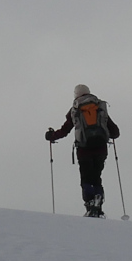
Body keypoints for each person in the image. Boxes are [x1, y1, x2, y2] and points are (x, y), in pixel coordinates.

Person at [45, 84, 120, 217]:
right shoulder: (99, 107)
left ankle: (90, 203)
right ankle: (98, 200)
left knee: (86, 177)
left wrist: (52, 136)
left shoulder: (75, 109)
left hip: (84, 149)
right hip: (101, 149)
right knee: (96, 176)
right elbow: (115, 132)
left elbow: (65, 130)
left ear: (76, 95)